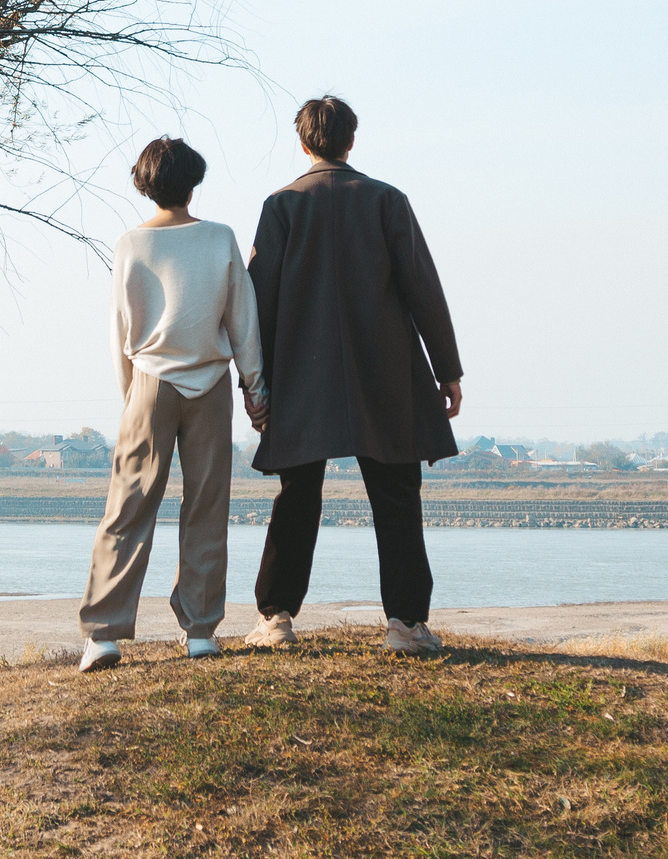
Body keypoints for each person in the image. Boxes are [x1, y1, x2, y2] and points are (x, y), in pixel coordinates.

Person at [241, 95, 462, 655]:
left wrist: (255, 385)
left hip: (300, 374)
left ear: (303, 142)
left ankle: (277, 619)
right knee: (396, 493)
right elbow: (423, 289)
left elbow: (257, 303)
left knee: (298, 495)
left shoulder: (281, 204)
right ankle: (406, 626)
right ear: (351, 141)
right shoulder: (387, 199)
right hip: (385, 368)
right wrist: (448, 369)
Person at [75, 136, 266, 671]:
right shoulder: (221, 238)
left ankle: (104, 634)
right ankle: (201, 630)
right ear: (194, 181)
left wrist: (130, 396)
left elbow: (120, 330)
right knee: (207, 508)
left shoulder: (130, 244)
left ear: (145, 183)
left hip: (149, 383)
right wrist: (256, 387)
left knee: (128, 507)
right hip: (210, 384)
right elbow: (242, 320)